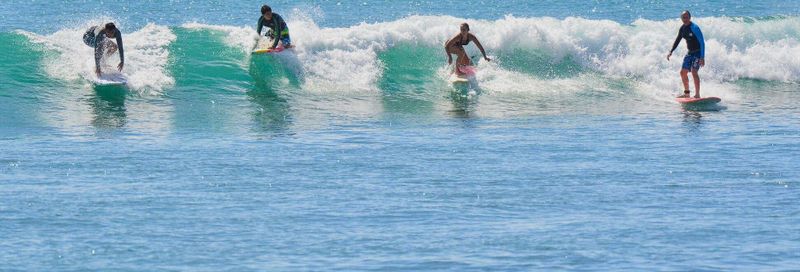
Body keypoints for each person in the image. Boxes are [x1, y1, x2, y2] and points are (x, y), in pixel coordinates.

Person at [667, 11, 705, 98]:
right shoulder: (682, 28)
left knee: (694, 71)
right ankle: (687, 93)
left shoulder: (695, 28)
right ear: (681, 19)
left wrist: (702, 57)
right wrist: (671, 51)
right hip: (690, 53)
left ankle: (697, 94)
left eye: (687, 17)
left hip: (698, 52)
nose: (685, 19)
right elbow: (677, 40)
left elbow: (702, 43)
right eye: (683, 17)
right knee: (683, 72)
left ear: (690, 17)